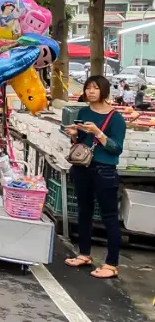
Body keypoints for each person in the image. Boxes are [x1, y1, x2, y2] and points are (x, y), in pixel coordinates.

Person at [64, 75, 126, 279]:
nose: (90, 92)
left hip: (105, 171)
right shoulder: (82, 111)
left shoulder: (116, 118)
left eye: (95, 88)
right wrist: (73, 133)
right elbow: (80, 142)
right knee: (84, 211)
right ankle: (84, 254)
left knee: (109, 216)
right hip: (83, 168)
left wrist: (98, 132)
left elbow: (116, 149)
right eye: (88, 88)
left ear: (104, 91)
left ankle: (111, 263)